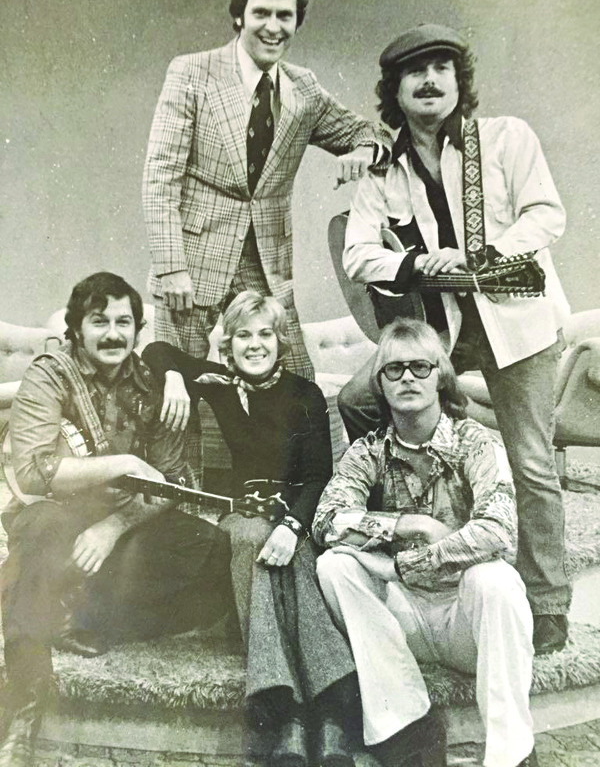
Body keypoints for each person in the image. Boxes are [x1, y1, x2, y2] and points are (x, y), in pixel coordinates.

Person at [336, 23, 571, 656]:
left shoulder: (504, 137)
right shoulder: (386, 168)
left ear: (459, 81)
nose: (431, 80)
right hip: (445, 327)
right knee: (359, 401)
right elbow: (358, 253)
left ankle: (547, 602)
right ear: (396, 91)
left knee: (530, 462)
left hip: (516, 321)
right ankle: (418, 534)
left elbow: (547, 214)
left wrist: (478, 255)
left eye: (442, 67)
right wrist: (414, 268)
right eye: (415, 72)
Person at [0, 273, 233, 767]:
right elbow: (35, 472)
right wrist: (123, 465)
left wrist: (113, 528)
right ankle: (23, 711)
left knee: (213, 554)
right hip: (54, 517)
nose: (112, 334)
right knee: (39, 537)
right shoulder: (50, 373)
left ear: (137, 328)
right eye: (99, 321)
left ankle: (80, 612)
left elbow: (171, 478)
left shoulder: (149, 383)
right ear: (77, 328)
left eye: (123, 322)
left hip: (121, 527)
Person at [143, 290, 360, 767]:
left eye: (265, 334)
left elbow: (320, 474)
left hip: (299, 507)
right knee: (245, 537)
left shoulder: (305, 393)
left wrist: (292, 526)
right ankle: (319, 711)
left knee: (292, 553)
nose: (255, 345)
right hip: (243, 509)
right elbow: (155, 351)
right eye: (243, 334)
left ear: (281, 341)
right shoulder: (218, 383)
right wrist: (177, 377)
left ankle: (293, 713)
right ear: (228, 342)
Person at [142, 0, 387, 381]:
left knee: (298, 390)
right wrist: (171, 269)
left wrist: (365, 149)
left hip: (268, 266)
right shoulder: (192, 73)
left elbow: (370, 132)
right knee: (177, 391)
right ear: (239, 16)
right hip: (191, 267)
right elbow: (160, 178)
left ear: (296, 21)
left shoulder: (303, 89)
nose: (273, 27)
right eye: (261, 13)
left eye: (284, 16)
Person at [313, 318, 538, 767]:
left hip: (467, 622)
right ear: (379, 383)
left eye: (420, 366)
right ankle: (405, 728)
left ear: (441, 376)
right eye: (393, 369)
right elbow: (327, 519)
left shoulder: (476, 442)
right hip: (404, 621)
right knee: (334, 566)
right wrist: (406, 525)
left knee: (496, 579)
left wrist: (401, 566)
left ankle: (512, 753)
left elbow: (498, 532)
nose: (408, 377)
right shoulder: (368, 451)